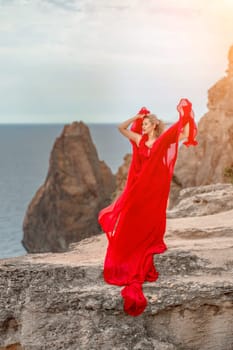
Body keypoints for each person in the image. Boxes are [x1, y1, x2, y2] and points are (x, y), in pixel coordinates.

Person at [98, 98, 198, 316]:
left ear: (154, 125)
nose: (142, 127)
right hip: (139, 187)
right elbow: (120, 127)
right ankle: (132, 243)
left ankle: (150, 239)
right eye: (142, 125)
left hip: (155, 188)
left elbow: (181, 135)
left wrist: (187, 117)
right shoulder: (138, 140)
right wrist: (137, 116)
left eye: (145, 124)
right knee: (131, 215)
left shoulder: (162, 140)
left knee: (151, 218)